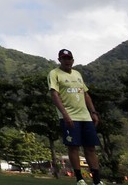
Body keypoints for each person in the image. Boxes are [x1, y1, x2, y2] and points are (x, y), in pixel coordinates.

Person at [49, 49, 102, 185]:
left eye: (69, 58)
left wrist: (93, 112)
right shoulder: (54, 74)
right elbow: (54, 94)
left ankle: (97, 180)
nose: (67, 61)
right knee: (73, 147)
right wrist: (65, 115)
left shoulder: (78, 74)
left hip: (85, 116)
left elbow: (85, 94)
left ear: (72, 60)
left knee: (90, 147)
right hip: (69, 116)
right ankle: (80, 179)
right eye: (64, 58)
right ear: (59, 60)